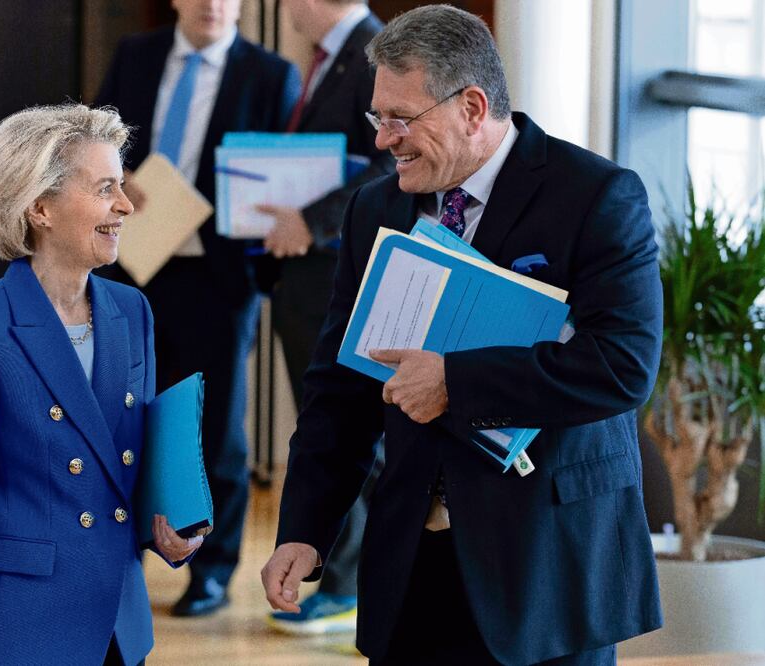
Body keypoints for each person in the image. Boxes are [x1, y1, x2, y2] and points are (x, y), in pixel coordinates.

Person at [261, 5, 663, 665]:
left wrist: (454, 382)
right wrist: (305, 528)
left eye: (400, 118)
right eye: (376, 117)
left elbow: (620, 367)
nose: (383, 139)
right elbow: (339, 385)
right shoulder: (375, 207)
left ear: (471, 108)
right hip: (411, 565)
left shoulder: (596, 196)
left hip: (546, 567)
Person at [0, 104, 201, 666]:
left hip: (119, 622)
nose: (125, 205)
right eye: (105, 188)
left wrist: (171, 528)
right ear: (40, 207)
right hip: (20, 628)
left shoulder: (133, 310)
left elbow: (122, 472)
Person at [95, 0, 300, 618]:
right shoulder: (137, 55)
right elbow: (98, 141)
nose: (213, 5)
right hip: (133, 265)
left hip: (218, 275)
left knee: (215, 429)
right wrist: (115, 177)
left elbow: (276, 175)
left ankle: (211, 568)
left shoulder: (268, 74)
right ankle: (116, 549)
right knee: (121, 410)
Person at [256, 0, 393, 636]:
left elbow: (388, 166)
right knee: (328, 424)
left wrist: (311, 223)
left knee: (348, 427)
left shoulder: (373, 53)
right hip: (307, 278)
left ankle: (345, 583)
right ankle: (342, 576)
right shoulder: (324, 61)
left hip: (341, 268)